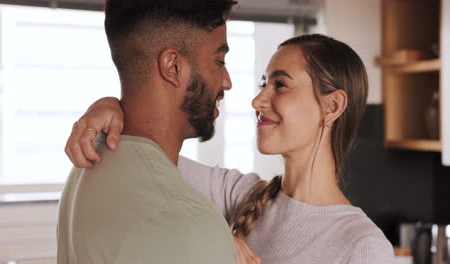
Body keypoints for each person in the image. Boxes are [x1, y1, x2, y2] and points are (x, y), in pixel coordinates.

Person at [65, 34, 395, 263]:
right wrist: (108, 106)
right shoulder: (240, 195)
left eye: (280, 84)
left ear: (332, 106)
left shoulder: (363, 247)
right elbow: (145, 151)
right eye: (263, 84)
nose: (257, 100)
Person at [56, 0, 258, 263]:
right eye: (219, 60)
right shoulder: (186, 222)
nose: (227, 81)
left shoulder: (90, 164)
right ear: (172, 67)